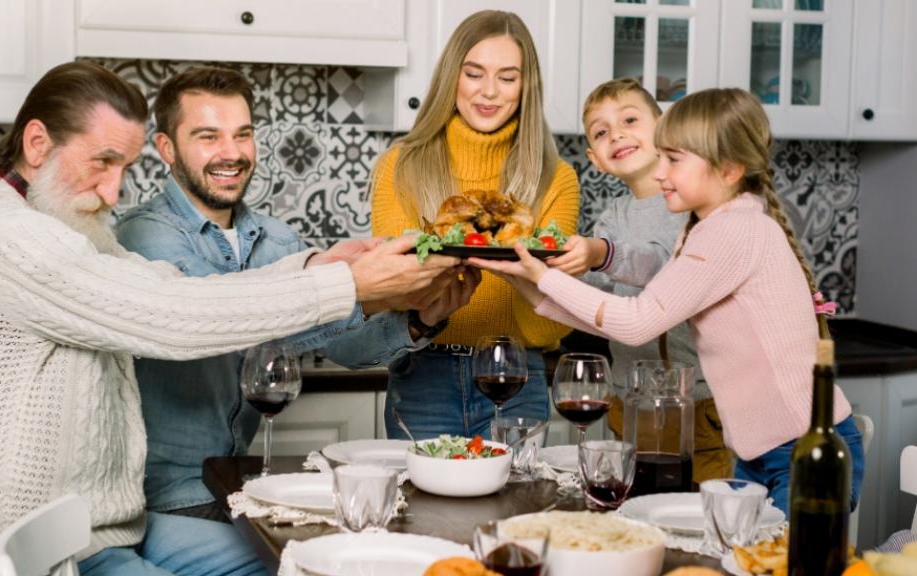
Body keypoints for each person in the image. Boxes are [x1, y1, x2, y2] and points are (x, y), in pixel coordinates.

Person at [0, 61, 458, 576]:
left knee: (294, 561)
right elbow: (171, 315)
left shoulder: (56, 228)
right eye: (102, 162)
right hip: (37, 552)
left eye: (125, 168)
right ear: (37, 144)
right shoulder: (11, 241)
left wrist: (320, 264)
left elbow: (172, 290)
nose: (114, 192)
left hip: (103, 530)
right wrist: (351, 283)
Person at [471, 87, 865, 516]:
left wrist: (545, 277)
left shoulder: (731, 233)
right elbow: (623, 315)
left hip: (804, 453)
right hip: (763, 452)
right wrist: (526, 281)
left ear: (729, 169)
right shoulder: (710, 226)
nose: (660, 174)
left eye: (673, 159)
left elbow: (638, 321)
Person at [115, 66, 479, 523]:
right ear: (167, 148)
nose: (231, 153)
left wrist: (417, 318)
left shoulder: (277, 239)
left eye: (242, 134)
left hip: (241, 484)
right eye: (208, 136)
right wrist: (353, 284)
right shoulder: (143, 237)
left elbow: (340, 346)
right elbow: (216, 319)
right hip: (168, 498)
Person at [370, 9, 580, 439]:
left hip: (516, 375)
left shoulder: (555, 178)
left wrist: (518, 266)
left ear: (526, 87)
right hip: (423, 375)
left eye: (507, 77)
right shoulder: (401, 166)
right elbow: (391, 296)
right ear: (453, 77)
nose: (489, 92)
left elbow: (550, 326)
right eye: (474, 73)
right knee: (422, 505)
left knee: (519, 505)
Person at [546, 78, 731, 483]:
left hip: (699, 407)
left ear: (664, 127)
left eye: (629, 119)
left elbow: (665, 267)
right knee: (638, 514)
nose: (617, 134)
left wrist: (600, 253)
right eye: (602, 131)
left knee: (698, 520)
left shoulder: (695, 205)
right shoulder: (613, 215)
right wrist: (545, 270)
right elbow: (601, 297)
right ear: (596, 158)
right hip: (629, 406)